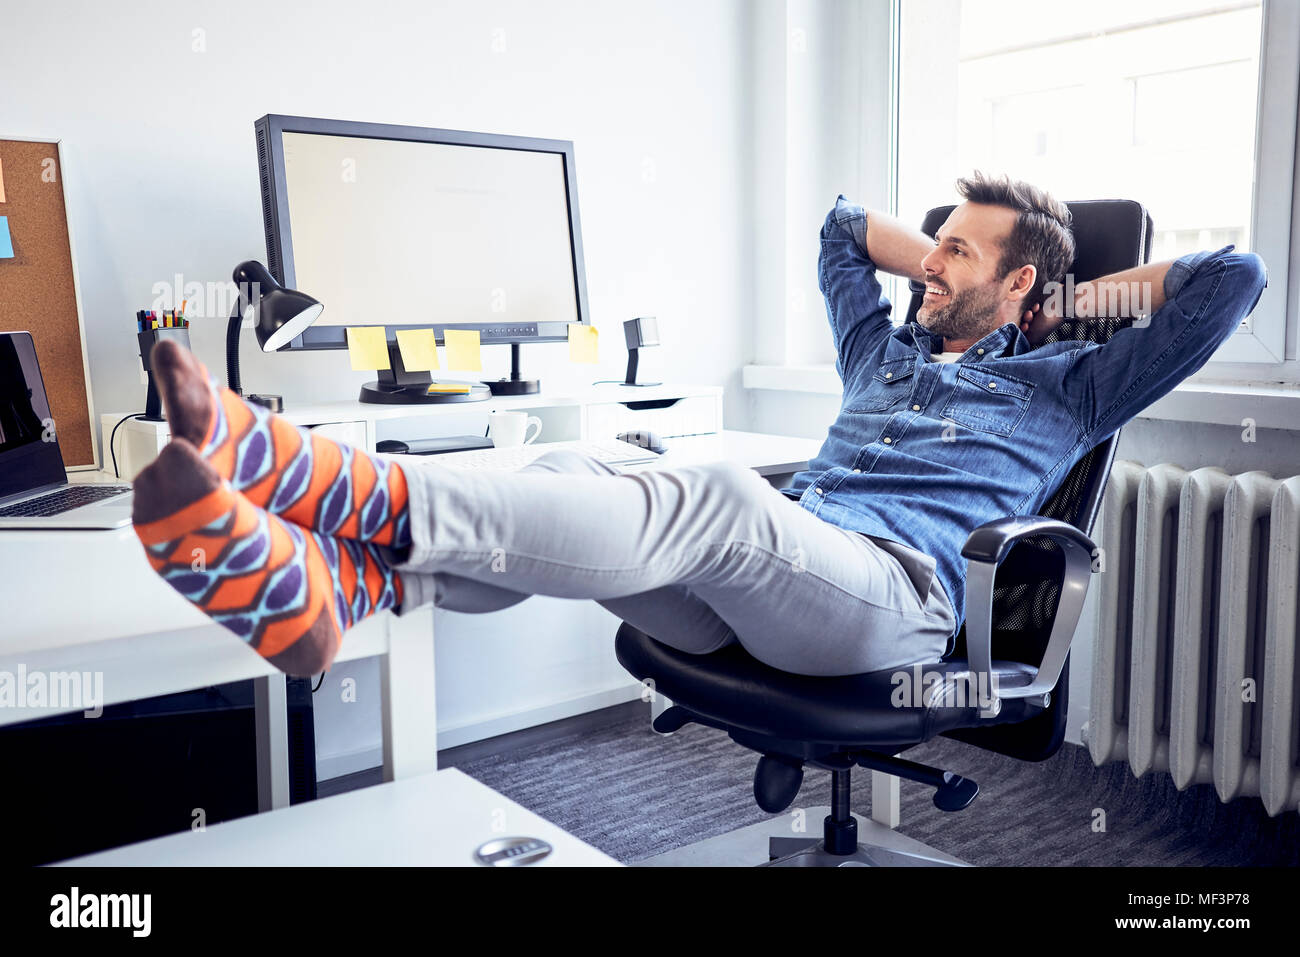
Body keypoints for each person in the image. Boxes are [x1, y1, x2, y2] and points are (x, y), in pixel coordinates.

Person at [132, 172, 1267, 679]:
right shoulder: (885, 349)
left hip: (896, 606)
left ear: (1020, 286)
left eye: (956, 251)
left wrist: (1057, 298)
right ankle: (341, 596)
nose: (928, 262)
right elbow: (835, 231)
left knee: (717, 501)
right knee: (579, 464)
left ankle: (323, 482)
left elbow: (1233, 276)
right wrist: (944, 255)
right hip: (769, 593)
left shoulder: (1069, 384)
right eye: (932, 242)